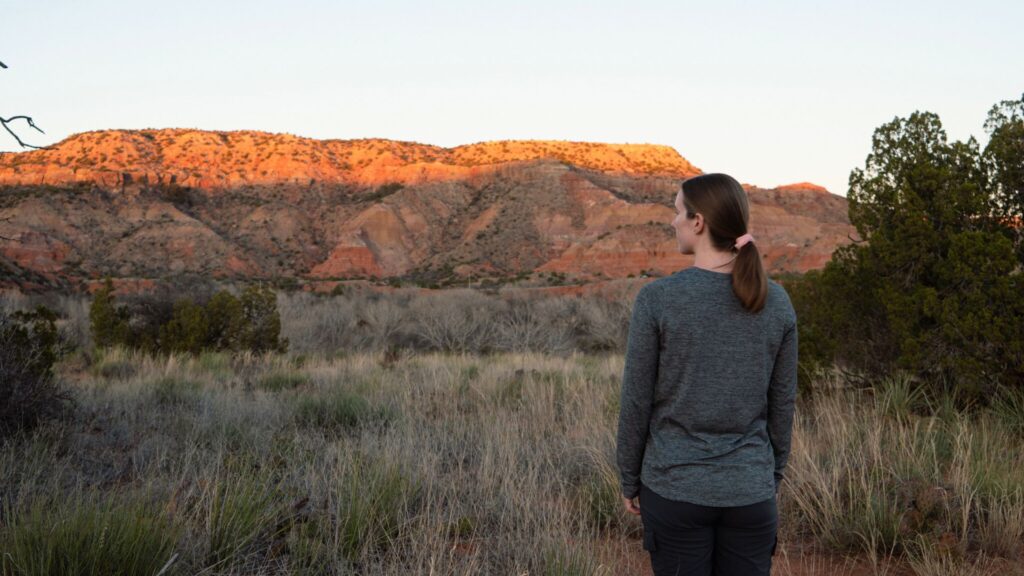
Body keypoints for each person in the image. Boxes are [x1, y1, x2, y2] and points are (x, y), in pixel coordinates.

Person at [615, 173, 798, 576]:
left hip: (675, 490)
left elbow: (636, 401)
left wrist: (630, 478)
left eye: (678, 211)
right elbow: (782, 402)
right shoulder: (777, 301)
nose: (672, 221)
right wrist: (770, 475)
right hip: (750, 493)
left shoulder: (658, 300)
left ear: (698, 223)